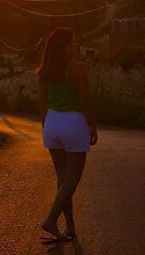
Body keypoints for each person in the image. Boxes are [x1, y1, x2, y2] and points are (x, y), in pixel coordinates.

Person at [35, 27, 98, 243]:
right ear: (66, 45)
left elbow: (43, 103)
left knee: (62, 180)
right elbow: (85, 102)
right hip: (73, 123)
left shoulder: (44, 70)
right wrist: (92, 125)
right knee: (72, 180)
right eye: (73, 41)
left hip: (52, 123)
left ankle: (70, 227)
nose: (76, 44)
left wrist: (47, 128)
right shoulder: (78, 68)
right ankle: (51, 219)